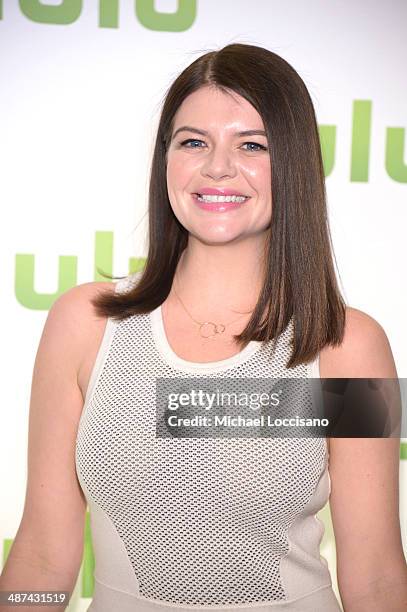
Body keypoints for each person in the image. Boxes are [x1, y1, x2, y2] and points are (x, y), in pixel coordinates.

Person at [1, 43, 406, 612]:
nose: (218, 166)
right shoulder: (87, 324)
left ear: (293, 164)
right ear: (165, 159)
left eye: (252, 145)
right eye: (194, 142)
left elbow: (375, 576)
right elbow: (43, 551)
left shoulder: (346, 346)